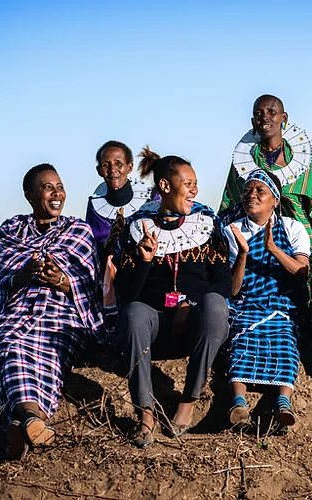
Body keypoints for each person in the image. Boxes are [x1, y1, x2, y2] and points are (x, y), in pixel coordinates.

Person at [0, 163, 106, 460]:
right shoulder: (11, 229)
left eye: (59, 187)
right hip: (17, 308)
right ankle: (31, 420)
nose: (56, 193)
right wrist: (22, 276)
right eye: (47, 187)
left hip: (62, 313)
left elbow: (91, 283)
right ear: (29, 195)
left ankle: (21, 418)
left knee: (45, 351)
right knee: (8, 344)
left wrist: (61, 280)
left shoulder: (78, 229)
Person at [115, 147, 231, 448]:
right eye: (187, 183)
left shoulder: (207, 222)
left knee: (216, 305)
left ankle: (189, 399)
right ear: (165, 186)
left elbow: (222, 283)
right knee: (134, 314)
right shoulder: (137, 227)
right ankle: (145, 413)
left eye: (195, 183)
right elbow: (127, 296)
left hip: (196, 326)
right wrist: (144, 261)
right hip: (154, 329)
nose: (194, 190)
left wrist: (188, 304)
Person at [223, 170, 310, 427]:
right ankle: (239, 403)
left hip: (281, 303)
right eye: (248, 190)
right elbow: (234, 289)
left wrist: (273, 248)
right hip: (247, 302)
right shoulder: (233, 231)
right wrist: (243, 254)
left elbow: (301, 274)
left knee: (285, 341)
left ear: (275, 199)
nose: (252, 195)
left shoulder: (293, 228)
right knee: (240, 340)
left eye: (260, 191)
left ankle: (283, 403)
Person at [219, 94, 312, 255]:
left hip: (298, 236)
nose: (265, 118)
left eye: (271, 112)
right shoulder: (243, 161)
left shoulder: (304, 159)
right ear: (253, 121)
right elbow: (231, 202)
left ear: (284, 118)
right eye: (259, 114)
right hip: (252, 236)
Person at [85, 140, 154, 253]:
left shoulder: (150, 199)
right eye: (106, 165)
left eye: (118, 164)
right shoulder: (94, 206)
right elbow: (95, 246)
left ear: (129, 167)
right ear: (99, 171)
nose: (112, 170)